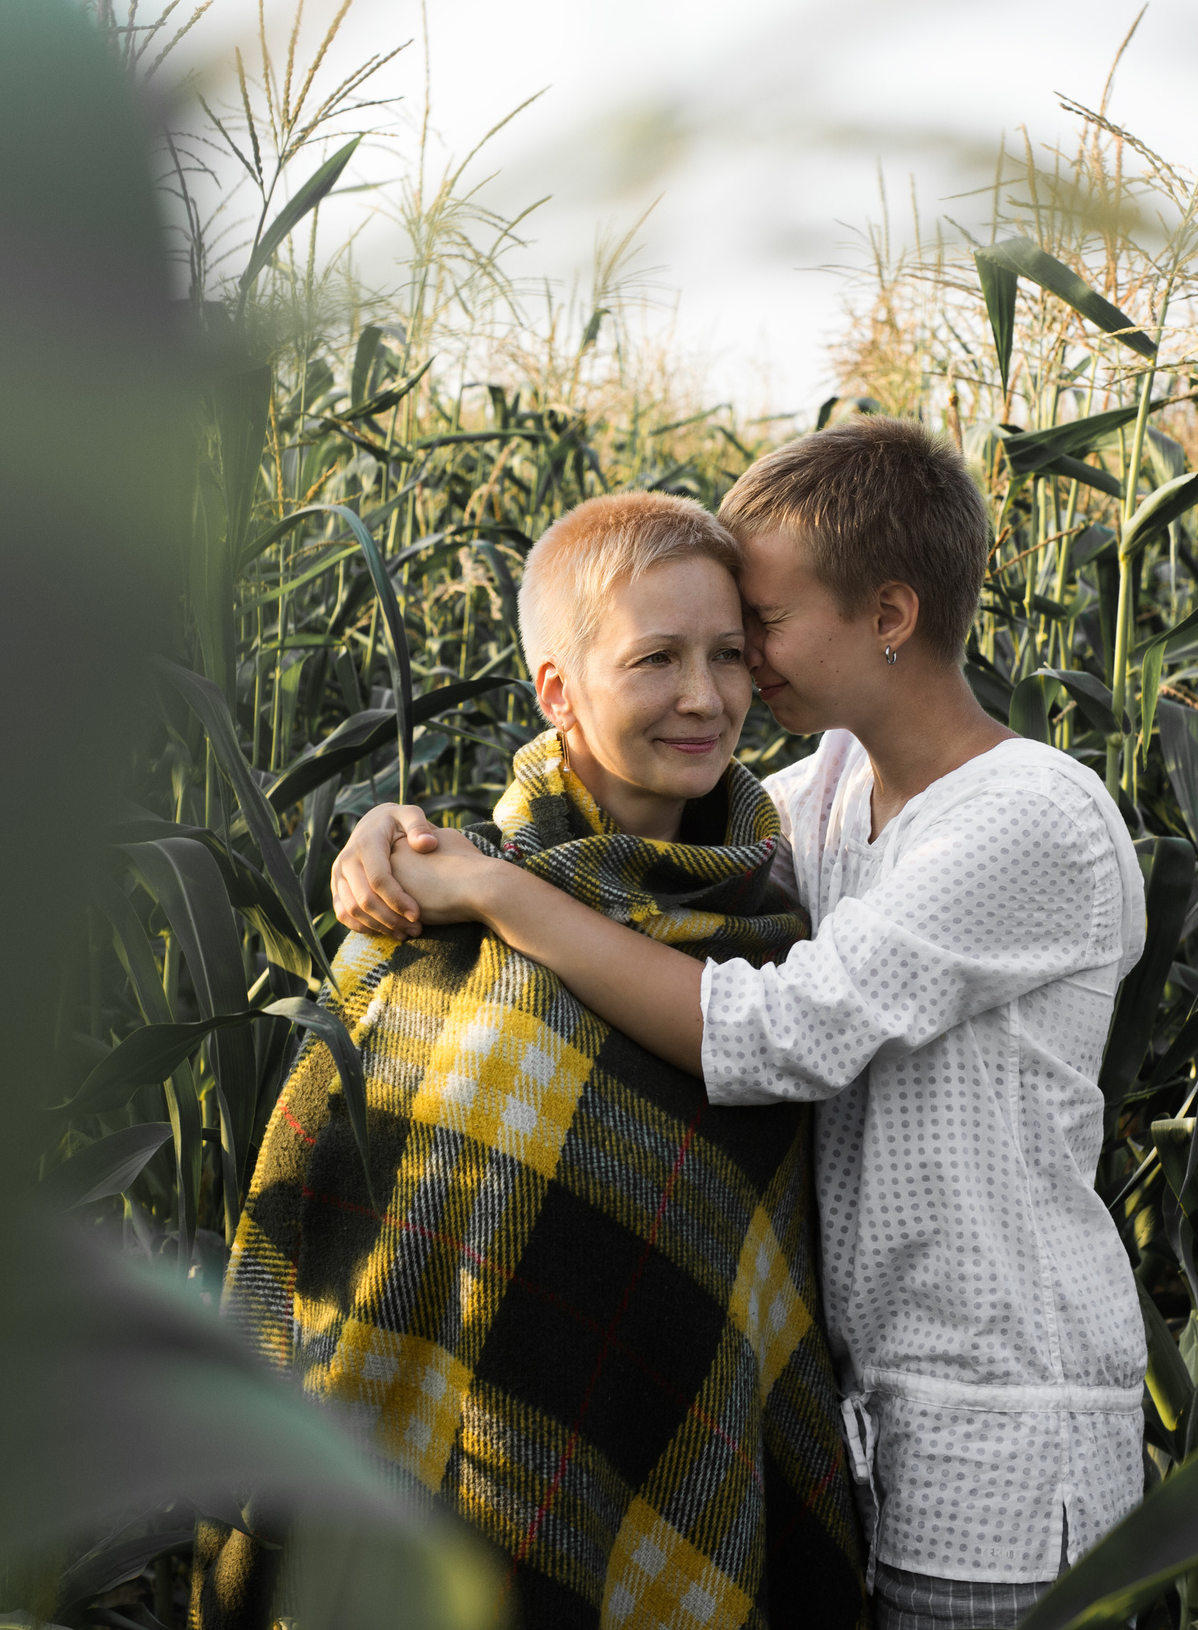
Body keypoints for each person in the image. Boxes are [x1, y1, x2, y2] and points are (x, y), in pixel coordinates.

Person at [332, 417, 1147, 1630]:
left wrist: (500, 891)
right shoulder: (819, 796)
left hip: (1004, 1449)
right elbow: (637, 813)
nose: (736, 670)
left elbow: (775, 1036)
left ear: (886, 615)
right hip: (871, 1438)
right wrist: (387, 825)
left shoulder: (1030, 818)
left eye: (758, 624)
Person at [206, 492, 868, 1629]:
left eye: (727, 656)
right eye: (655, 659)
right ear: (557, 688)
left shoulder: (784, 915)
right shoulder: (429, 923)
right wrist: (378, 831)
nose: (703, 697)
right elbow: (333, 1268)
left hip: (668, 1475)